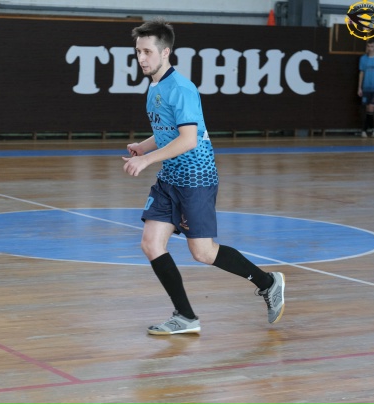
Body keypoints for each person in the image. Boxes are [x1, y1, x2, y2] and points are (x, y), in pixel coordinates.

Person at [122, 18, 285, 335]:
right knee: (151, 243)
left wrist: (147, 160)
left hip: (196, 179)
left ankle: (268, 282)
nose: (141, 58)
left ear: (165, 52)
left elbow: (188, 140)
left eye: (147, 51)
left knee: (203, 252)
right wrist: (144, 146)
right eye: (138, 51)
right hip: (170, 178)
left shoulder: (181, 89)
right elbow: (168, 132)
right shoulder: (155, 86)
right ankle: (185, 316)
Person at [357, 38, 374, 138]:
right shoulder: (363, 59)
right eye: (368, 46)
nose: (370, 48)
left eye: (372, 46)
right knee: (368, 109)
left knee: (371, 108)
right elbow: (361, 73)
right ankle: (372, 129)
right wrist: (359, 87)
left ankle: (364, 129)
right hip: (366, 87)